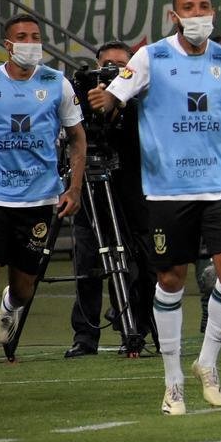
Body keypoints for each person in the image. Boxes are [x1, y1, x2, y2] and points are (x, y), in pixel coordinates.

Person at [90, 0, 221, 416]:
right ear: (174, 15)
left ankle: (207, 363)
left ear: (213, 12)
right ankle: (173, 381)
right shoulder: (151, 58)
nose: (197, 13)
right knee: (170, 281)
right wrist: (105, 98)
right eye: (188, 8)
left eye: (203, 7)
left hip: (219, 185)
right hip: (168, 189)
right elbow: (117, 96)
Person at [0, 14, 86, 400]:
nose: (31, 42)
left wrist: (74, 188)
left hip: (39, 197)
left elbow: (77, 138)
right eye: (22, 36)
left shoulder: (56, 83)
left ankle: (12, 304)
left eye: (36, 36)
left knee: (23, 285)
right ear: (7, 43)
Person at [66, 41, 158, 358]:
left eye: (120, 65)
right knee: (87, 264)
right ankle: (85, 336)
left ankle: (134, 330)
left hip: (132, 193)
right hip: (91, 191)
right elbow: (73, 138)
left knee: (141, 265)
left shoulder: (142, 103)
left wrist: (119, 104)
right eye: (106, 64)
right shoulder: (81, 99)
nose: (112, 71)